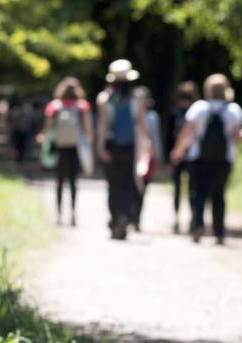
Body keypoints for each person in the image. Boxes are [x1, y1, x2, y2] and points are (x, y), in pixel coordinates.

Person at [170, 74, 242, 245]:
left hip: (198, 158)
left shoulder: (199, 108)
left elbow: (186, 133)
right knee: (218, 195)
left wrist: (177, 151)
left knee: (198, 193)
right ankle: (219, 232)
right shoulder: (233, 110)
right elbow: (238, 138)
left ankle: (198, 226)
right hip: (224, 159)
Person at [97, 59, 152, 239]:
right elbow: (142, 124)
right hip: (131, 147)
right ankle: (125, 217)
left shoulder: (105, 98)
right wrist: (147, 145)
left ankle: (115, 220)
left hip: (112, 146)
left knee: (113, 185)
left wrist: (100, 147)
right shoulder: (137, 98)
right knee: (128, 184)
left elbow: (103, 126)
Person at [43, 77, 94, 226]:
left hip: (60, 147)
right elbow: (88, 130)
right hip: (75, 147)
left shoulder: (54, 106)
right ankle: (73, 214)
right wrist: (88, 147)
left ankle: (58, 214)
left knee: (59, 181)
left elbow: (48, 129)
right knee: (73, 181)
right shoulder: (82, 106)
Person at [165, 81, 200, 233]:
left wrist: (168, 157)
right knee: (193, 189)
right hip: (193, 155)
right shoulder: (197, 112)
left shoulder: (175, 112)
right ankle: (192, 219)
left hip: (177, 155)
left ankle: (178, 218)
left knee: (178, 189)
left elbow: (168, 137)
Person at [132, 86, 162, 231]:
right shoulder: (130, 116)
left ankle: (137, 218)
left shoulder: (152, 117)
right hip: (132, 157)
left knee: (142, 189)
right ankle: (132, 217)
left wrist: (157, 157)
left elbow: (155, 139)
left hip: (147, 157)